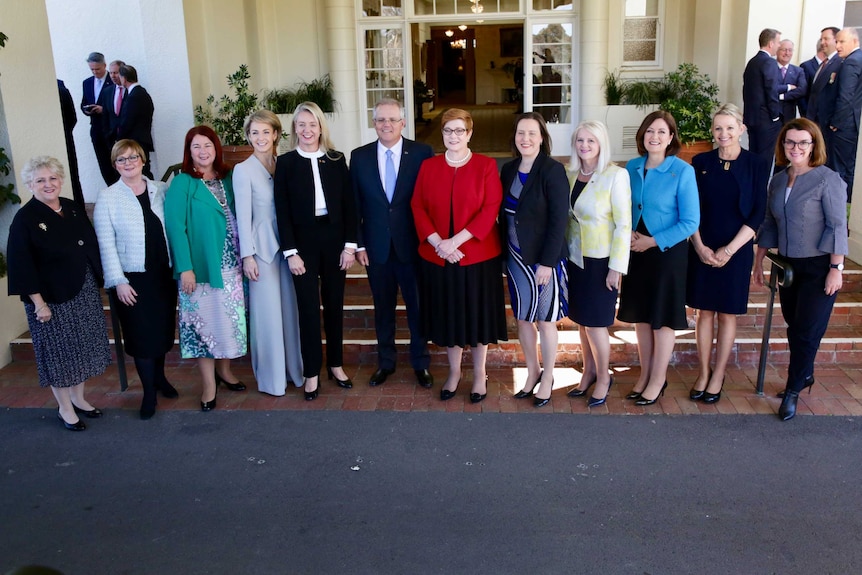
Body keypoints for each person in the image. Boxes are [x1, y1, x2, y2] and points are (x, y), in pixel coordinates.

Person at [6, 156, 111, 431]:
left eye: (52, 178)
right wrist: (39, 304)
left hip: (83, 290)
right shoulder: (25, 219)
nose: (48, 184)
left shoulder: (73, 208)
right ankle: (65, 408)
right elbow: (21, 265)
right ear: (30, 185)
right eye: (40, 180)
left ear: (60, 180)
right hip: (51, 299)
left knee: (82, 349)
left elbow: (89, 243)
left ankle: (79, 399)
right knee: (59, 355)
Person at [411, 108, 508, 403]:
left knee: (477, 318)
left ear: (470, 133)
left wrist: (455, 241)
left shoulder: (486, 165)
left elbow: (491, 207)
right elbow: (417, 206)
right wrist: (440, 242)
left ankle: (479, 374)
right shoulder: (429, 166)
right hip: (439, 256)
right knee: (449, 317)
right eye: (448, 131)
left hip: (477, 255)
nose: (454, 136)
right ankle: (454, 372)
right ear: (442, 134)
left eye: (459, 131)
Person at [754, 118, 848, 421]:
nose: (795, 148)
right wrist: (759, 259)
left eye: (802, 143)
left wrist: (837, 267)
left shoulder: (827, 179)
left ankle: (793, 389)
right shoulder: (779, 180)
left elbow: (837, 226)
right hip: (789, 267)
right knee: (795, 327)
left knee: (808, 331)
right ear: (783, 145)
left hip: (820, 266)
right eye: (790, 142)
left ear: (813, 146)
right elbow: (770, 222)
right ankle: (804, 375)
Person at [274, 102, 358, 401]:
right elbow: (281, 212)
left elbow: (350, 205)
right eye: (301, 125)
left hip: (335, 241)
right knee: (308, 310)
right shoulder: (285, 163)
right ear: (294, 129)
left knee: (334, 306)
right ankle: (312, 372)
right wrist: (290, 252)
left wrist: (350, 246)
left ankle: (335, 365)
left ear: (321, 127)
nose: (307, 130)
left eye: (312, 124)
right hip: (302, 244)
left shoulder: (336, 159)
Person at [687, 104, 769, 404]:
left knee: (727, 313)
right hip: (703, 246)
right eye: (718, 128)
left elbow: (758, 212)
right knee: (703, 312)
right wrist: (699, 247)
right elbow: (690, 208)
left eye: (730, 128)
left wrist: (730, 250)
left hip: (737, 248)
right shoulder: (700, 161)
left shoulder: (757, 164)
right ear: (713, 130)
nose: (724, 134)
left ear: (741, 129)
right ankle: (703, 372)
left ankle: (719, 375)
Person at [351, 98, 434, 388]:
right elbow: (355, 206)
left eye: (392, 119)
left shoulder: (423, 153)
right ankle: (385, 363)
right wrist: (359, 245)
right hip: (376, 249)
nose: (386, 125)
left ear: (403, 122)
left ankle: (420, 363)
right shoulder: (359, 157)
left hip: (413, 247)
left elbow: (429, 201)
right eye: (380, 120)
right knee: (383, 309)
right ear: (374, 124)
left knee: (417, 308)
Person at [164, 126, 248, 412]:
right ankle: (209, 385)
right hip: (200, 268)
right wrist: (185, 268)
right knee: (205, 328)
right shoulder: (182, 183)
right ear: (189, 152)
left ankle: (225, 372)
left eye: (208, 145)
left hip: (231, 266)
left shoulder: (229, 178)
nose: (203, 151)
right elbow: (176, 228)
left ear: (216, 148)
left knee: (228, 324)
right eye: (196, 146)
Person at [619, 111, 699, 405]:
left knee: (662, 319)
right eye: (650, 131)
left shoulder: (682, 171)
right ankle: (644, 374)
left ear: (671, 138)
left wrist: (652, 241)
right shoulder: (631, 167)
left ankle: (658, 378)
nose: (654, 137)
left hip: (666, 251)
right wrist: (627, 235)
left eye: (661, 132)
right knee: (641, 315)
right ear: (642, 135)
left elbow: (691, 221)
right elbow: (623, 206)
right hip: (636, 248)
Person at [93, 140, 178, 420]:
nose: (128, 163)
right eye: (121, 160)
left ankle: (161, 379)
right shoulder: (108, 196)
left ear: (143, 160)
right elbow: (106, 244)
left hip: (162, 275)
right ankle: (149, 393)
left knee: (163, 332)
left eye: (133, 157)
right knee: (142, 337)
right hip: (133, 280)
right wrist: (118, 281)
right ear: (115, 164)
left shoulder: (161, 190)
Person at [500, 112, 569, 408]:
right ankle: (532, 373)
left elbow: (558, 220)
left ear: (542, 137)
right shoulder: (508, 169)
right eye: (520, 133)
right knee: (523, 320)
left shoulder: (552, 170)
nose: (525, 139)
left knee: (544, 320)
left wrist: (548, 262)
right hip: (516, 258)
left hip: (544, 260)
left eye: (531, 133)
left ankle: (549, 376)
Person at [234, 110, 303, 396]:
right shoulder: (243, 170)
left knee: (290, 313)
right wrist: (247, 256)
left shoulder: (283, 164)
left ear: (276, 134)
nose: (260, 138)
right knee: (268, 318)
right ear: (248, 137)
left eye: (265, 132)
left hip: (288, 250)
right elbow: (242, 216)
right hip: (261, 252)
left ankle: (294, 372)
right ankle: (272, 380)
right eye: (254, 133)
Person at [564, 120, 632, 407]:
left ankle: (604, 377)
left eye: (591, 141)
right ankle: (589, 371)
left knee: (596, 325)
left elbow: (624, 225)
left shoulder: (615, 175)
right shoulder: (570, 174)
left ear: (601, 144)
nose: (584, 146)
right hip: (575, 259)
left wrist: (617, 267)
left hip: (602, 261)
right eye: (580, 140)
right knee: (581, 322)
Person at [828, 27, 862, 200]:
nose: (837, 46)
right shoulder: (857, 58)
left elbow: (845, 96)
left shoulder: (851, 62)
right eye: (837, 41)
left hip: (844, 127)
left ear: (855, 42)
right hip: (852, 125)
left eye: (842, 42)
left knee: (839, 170)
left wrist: (836, 123)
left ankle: (839, 208)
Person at [742, 28, 783, 159]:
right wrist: (775, 116)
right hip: (766, 120)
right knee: (765, 159)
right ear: (771, 44)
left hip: (751, 118)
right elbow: (771, 90)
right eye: (778, 42)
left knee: (753, 155)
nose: (779, 46)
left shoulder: (752, 62)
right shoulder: (769, 61)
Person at [80, 52, 116, 185]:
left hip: (111, 129)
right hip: (96, 129)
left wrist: (103, 110)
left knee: (116, 163)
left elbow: (119, 105)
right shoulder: (87, 83)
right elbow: (83, 102)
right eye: (92, 69)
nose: (95, 72)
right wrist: (87, 109)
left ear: (104, 65)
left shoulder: (113, 80)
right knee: (103, 164)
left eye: (98, 69)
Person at [114, 65, 156, 180]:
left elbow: (127, 121)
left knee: (142, 171)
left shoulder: (134, 96)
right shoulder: (142, 93)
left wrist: (119, 139)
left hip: (137, 141)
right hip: (142, 139)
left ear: (124, 78)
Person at [776, 40, 807, 124]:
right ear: (777, 50)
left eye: (790, 50)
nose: (787, 53)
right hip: (771, 115)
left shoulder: (798, 71)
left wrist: (782, 96)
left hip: (789, 115)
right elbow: (770, 88)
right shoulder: (770, 69)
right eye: (784, 50)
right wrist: (789, 88)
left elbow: (802, 90)